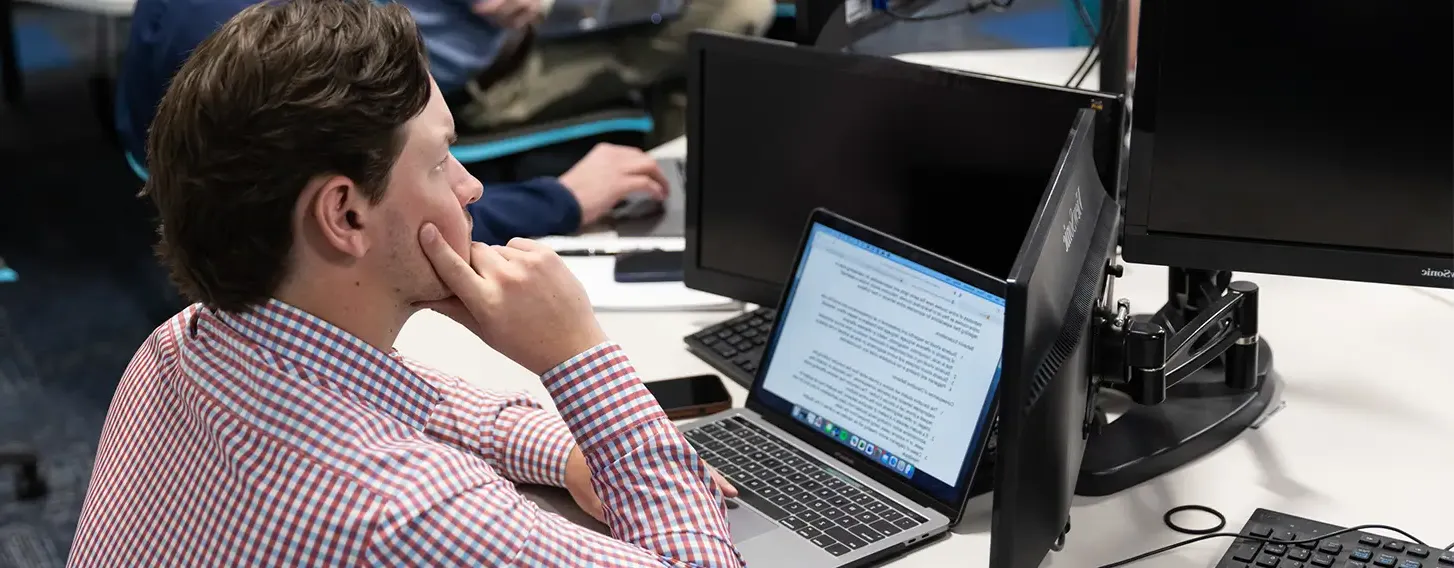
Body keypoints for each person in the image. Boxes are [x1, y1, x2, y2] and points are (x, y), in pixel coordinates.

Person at [70, 0, 741, 565]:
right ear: (344, 214)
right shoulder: (405, 514)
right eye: (442, 160)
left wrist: (569, 457)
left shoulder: (177, 345)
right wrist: (579, 359)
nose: (471, 186)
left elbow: (407, 397)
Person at [117, 0, 680, 245]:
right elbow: (392, 220)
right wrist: (561, 200)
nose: (469, 185)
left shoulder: (164, 364)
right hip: (460, 79)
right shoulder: (303, 48)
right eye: (442, 163)